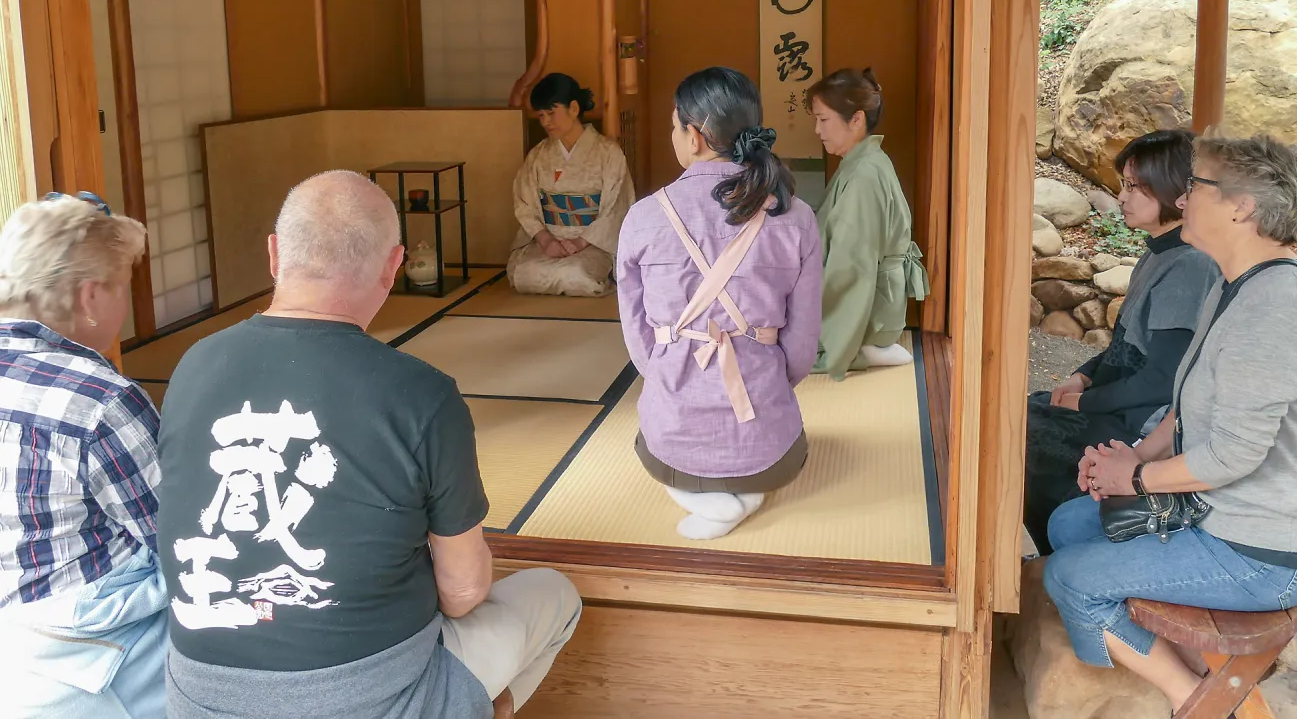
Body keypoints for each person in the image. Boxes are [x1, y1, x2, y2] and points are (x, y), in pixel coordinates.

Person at [157, 171, 580, 719]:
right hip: (381, 700)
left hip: (198, 701)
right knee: (554, 593)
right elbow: (463, 593)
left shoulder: (192, 365)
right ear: (394, 265)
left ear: (274, 254)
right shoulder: (420, 394)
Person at [1041, 134, 1297, 714]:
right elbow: (1185, 406)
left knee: (1071, 576)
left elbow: (1232, 457)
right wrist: (1132, 457)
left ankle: (1199, 702)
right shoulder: (1237, 284)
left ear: (1241, 207)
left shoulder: (1276, 311)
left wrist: (1134, 481)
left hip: (1261, 552)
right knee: (1068, 523)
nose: (1181, 199)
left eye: (1196, 187)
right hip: (1212, 514)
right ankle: (1194, 664)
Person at [616, 68, 822, 540]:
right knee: (770, 458)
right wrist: (770, 379)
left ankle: (711, 499)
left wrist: (668, 374)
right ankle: (744, 495)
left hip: (672, 441)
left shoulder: (643, 217)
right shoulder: (796, 216)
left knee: (655, 450)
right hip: (771, 450)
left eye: (674, 126)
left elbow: (638, 334)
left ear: (693, 136)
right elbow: (802, 343)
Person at [0, 192, 165, 719]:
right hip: (86, 648)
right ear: (92, 296)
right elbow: (176, 536)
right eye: (124, 287)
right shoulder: (98, 399)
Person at [1023, 129, 1219, 556]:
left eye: (1134, 186)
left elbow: (1161, 380)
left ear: (1178, 192)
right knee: (1017, 416)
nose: (1122, 196)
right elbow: (1126, 346)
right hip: (1116, 404)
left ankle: (1054, 560)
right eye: (1124, 184)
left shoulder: (1190, 267)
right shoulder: (1161, 252)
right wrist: (1081, 376)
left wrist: (1083, 403)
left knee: (1024, 440)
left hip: (1138, 425)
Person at [806, 68, 928, 380]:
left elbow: (851, 268)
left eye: (823, 119)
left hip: (869, 314)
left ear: (856, 119)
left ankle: (860, 348)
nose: (817, 129)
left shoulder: (864, 175)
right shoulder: (863, 162)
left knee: (776, 345)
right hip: (873, 302)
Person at [508, 73, 635, 297]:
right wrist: (546, 240)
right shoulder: (538, 155)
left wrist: (579, 242)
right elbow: (524, 202)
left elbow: (617, 207)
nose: (545, 122)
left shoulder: (608, 153)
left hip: (593, 243)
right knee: (523, 274)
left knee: (577, 274)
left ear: (574, 109)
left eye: (551, 113)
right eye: (541, 115)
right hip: (548, 242)